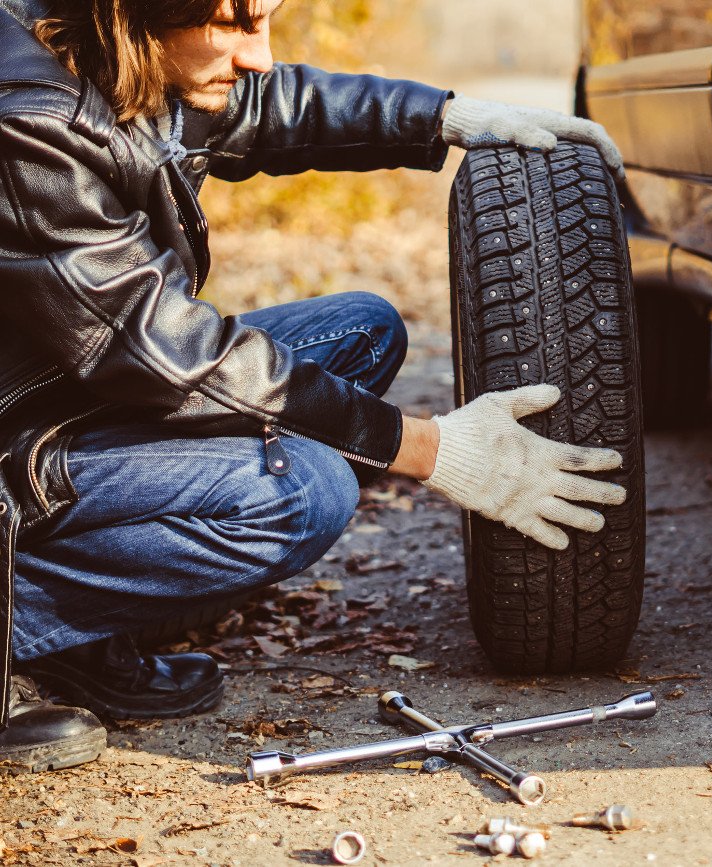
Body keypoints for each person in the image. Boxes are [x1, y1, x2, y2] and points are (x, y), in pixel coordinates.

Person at [0, 0, 628, 774]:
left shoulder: (113, 49)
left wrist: (450, 116)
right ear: (137, 13)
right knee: (302, 493)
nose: (258, 53)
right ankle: (21, 623)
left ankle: (84, 627)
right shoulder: (29, 125)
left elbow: (267, 106)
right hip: (19, 440)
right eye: (234, 25)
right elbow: (165, 351)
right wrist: (430, 448)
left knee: (361, 333)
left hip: (63, 390)